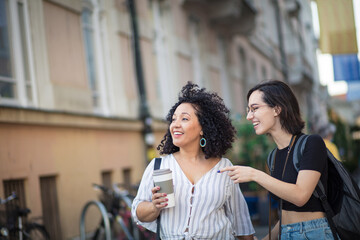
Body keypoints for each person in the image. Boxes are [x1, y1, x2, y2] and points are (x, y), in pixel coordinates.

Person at [132, 82, 255, 240]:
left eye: (184, 119)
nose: (175, 125)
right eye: (174, 119)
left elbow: (241, 223)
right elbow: (138, 212)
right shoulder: (159, 166)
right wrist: (154, 207)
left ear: (203, 127)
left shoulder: (224, 168)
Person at [220, 80, 335, 240]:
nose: (248, 116)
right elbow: (287, 216)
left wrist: (254, 175)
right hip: (285, 233)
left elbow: (300, 196)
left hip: (315, 232)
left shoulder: (312, 143)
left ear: (277, 109)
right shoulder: (273, 156)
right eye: (248, 110)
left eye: (255, 109)